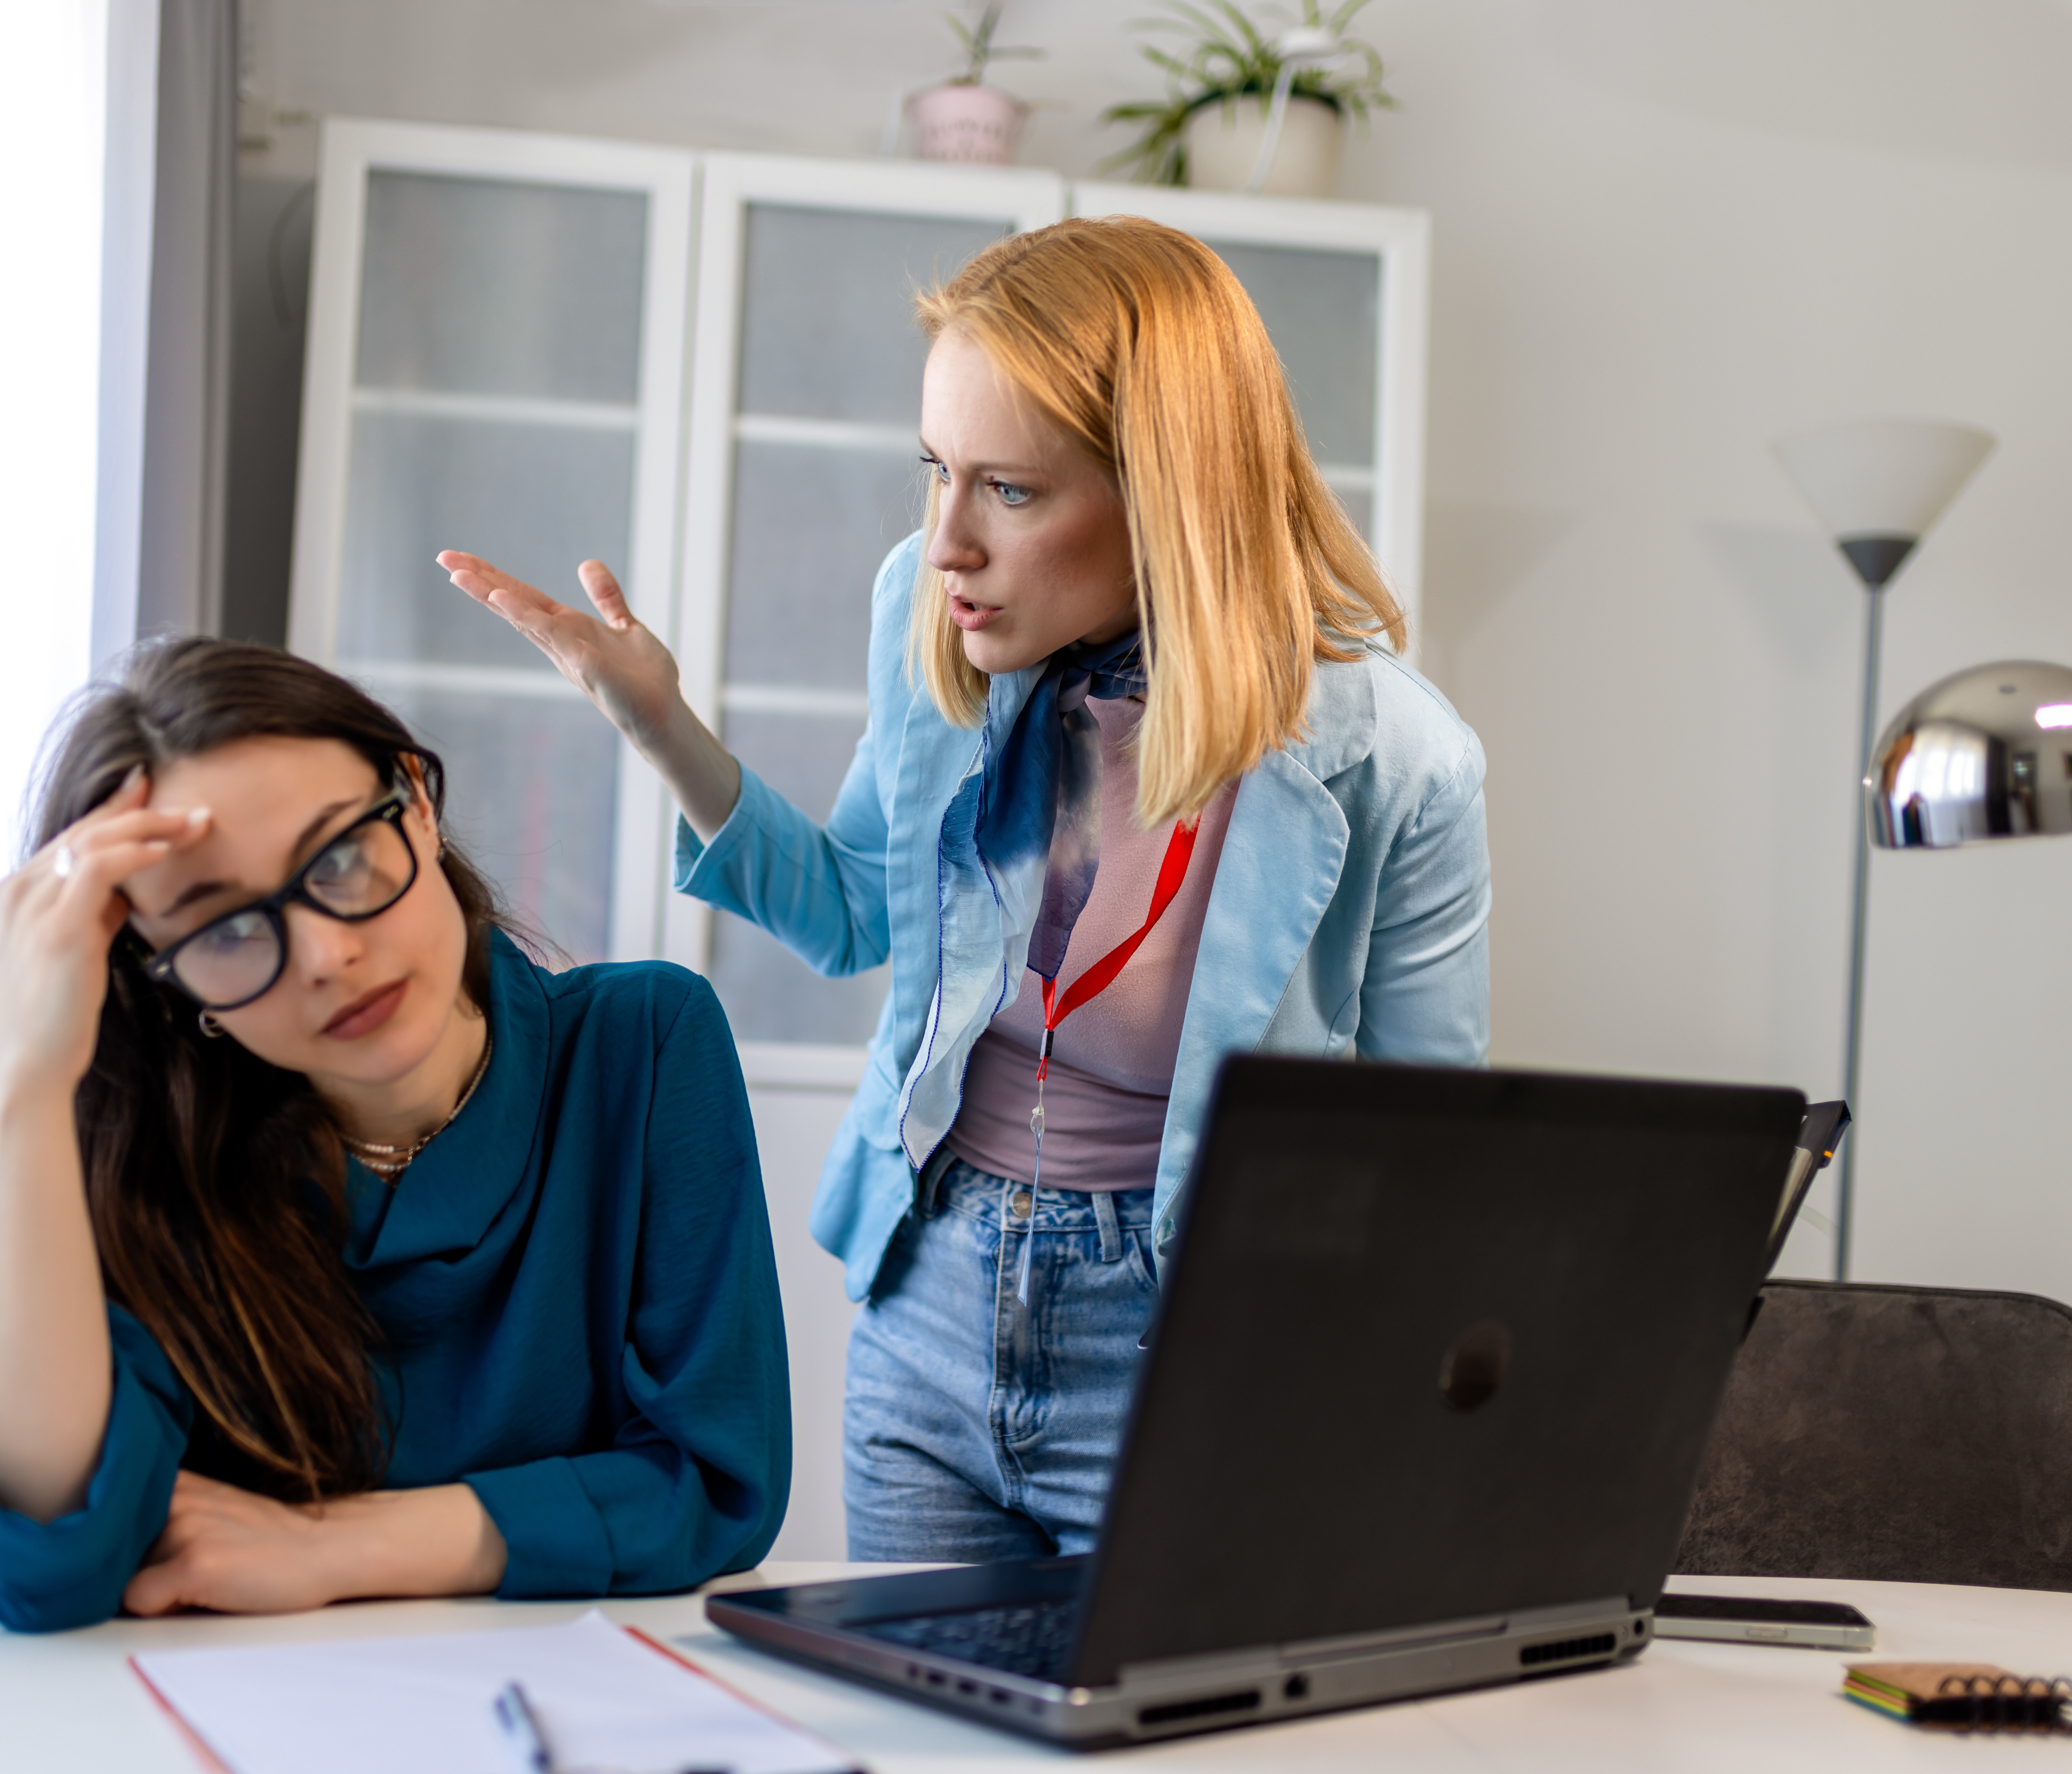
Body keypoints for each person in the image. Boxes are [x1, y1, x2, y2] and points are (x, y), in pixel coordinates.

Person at [441, 215, 1488, 1563]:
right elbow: (843, 911)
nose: (945, 543)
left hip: (1191, 1349)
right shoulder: (934, 618)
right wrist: (658, 724)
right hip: (928, 1317)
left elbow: (1435, 1166)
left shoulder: (1397, 761)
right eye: (935, 471)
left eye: (1007, 488)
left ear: (1164, 493)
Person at [0, 638, 788, 1631]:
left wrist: (336, 1544)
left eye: (339, 857)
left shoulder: (641, 1044)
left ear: (417, 801)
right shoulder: (149, 1150)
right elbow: (45, 1564)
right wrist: (19, 1083)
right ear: (165, 977)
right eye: (225, 930)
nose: (328, 956)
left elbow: (719, 1486)